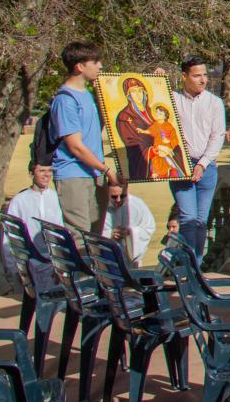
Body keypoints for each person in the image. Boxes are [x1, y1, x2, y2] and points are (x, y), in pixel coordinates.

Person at [50, 41, 123, 234]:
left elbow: (99, 124)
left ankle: (92, 266)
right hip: (74, 176)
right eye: (95, 61)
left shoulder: (87, 95)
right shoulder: (65, 100)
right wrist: (107, 170)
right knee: (79, 235)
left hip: (94, 174)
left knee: (94, 236)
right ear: (80, 66)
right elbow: (75, 146)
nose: (100, 66)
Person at [170, 56, 225, 258]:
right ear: (185, 76)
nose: (203, 80)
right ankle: (188, 266)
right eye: (197, 75)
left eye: (204, 75)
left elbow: (217, 136)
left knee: (201, 220)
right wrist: (156, 78)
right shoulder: (173, 100)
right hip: (180, 165)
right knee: (187, 218)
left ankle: (196, 266)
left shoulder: (214, 103)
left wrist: (202, 163)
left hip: (207, 165)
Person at [3, 158, 63, 289]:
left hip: (53, 266)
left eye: (49, 171)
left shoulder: (56, 198)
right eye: (41, 171)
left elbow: (61, 232)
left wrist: (60, 264)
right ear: (31, 174)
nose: (47, 174)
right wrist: (15, 268)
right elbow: (10, 236)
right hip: (30, 264)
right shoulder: (19, 201)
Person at [102, 182, 156, 267]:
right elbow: (91, 232)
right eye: (114, 197)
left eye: (123, 196)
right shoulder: (100, 206)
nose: (118, 200)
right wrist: (109, 234)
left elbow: (149, 228)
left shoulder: (137, 204)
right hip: (106, 259)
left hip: (132, 261)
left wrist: (131, 232)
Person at [114, 77, 156, 180]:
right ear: (128, 96)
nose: (138, 94)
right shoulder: (124, 116)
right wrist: (152, 149)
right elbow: (132, 142)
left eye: (140, 91)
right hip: (143, 159)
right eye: (133, 91)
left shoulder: (153, 112)